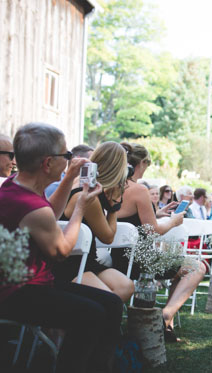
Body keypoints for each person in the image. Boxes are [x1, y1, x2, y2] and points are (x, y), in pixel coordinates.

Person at [0, 123, 122, 372]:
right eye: (66, 156)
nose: (70, 160)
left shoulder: (15, 186)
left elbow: (50, 215)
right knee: (91, 315)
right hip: (18, 293)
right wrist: (80, 208)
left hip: (27, 283)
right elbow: (62, 250)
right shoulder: (31, 207)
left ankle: (100, 367)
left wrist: (68, 178)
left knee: (112, 303)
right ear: (47, 163)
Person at [113, 142, 206, 343]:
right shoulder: (138, 190)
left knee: (182, 267)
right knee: (196, 267)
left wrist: (156, 213)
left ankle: (168, 322)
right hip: (138, 260)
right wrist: (173, 221)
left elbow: (127, 220)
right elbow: (153, 231)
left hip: (112, 259)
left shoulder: (111, 184)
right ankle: (166, 315)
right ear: (143, 163)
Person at [53, 142, 134, 302]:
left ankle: (89, 320)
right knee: (109, 299)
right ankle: (88, 320)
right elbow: (108, 237)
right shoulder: (89, 196)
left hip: (87, 260)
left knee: (126, 286)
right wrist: (114, 206)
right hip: (72, 264)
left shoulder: (79, 183)